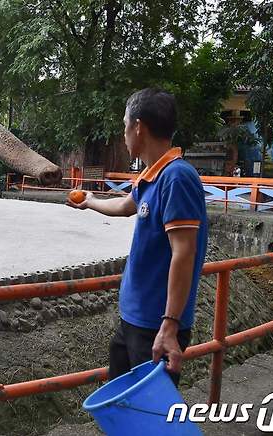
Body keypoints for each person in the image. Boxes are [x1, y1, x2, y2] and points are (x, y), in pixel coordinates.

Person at [67, 88, 207, 385]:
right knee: (125, 409)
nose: (123, 133)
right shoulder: (149, 176)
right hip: (133, 319)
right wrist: (89, 201)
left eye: (124, 125)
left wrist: (169, 326)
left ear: (138, 126)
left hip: (157, 328)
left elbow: (184, 253)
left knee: (152, 417)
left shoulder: (176, 177)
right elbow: (124, 205)